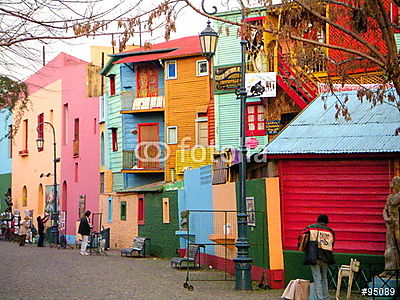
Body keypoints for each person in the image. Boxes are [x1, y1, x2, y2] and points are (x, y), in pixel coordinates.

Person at [302, 214, 335, 300]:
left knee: (317, 277)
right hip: (326, 256)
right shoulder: (330, 231)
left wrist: (305, 249)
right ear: (327, 221)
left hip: (314, 255)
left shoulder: (311, 228)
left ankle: (319, 297)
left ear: (318, 220)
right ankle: (326, 296)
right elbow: (332, 243)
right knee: (324, 278)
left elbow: (302, 237)